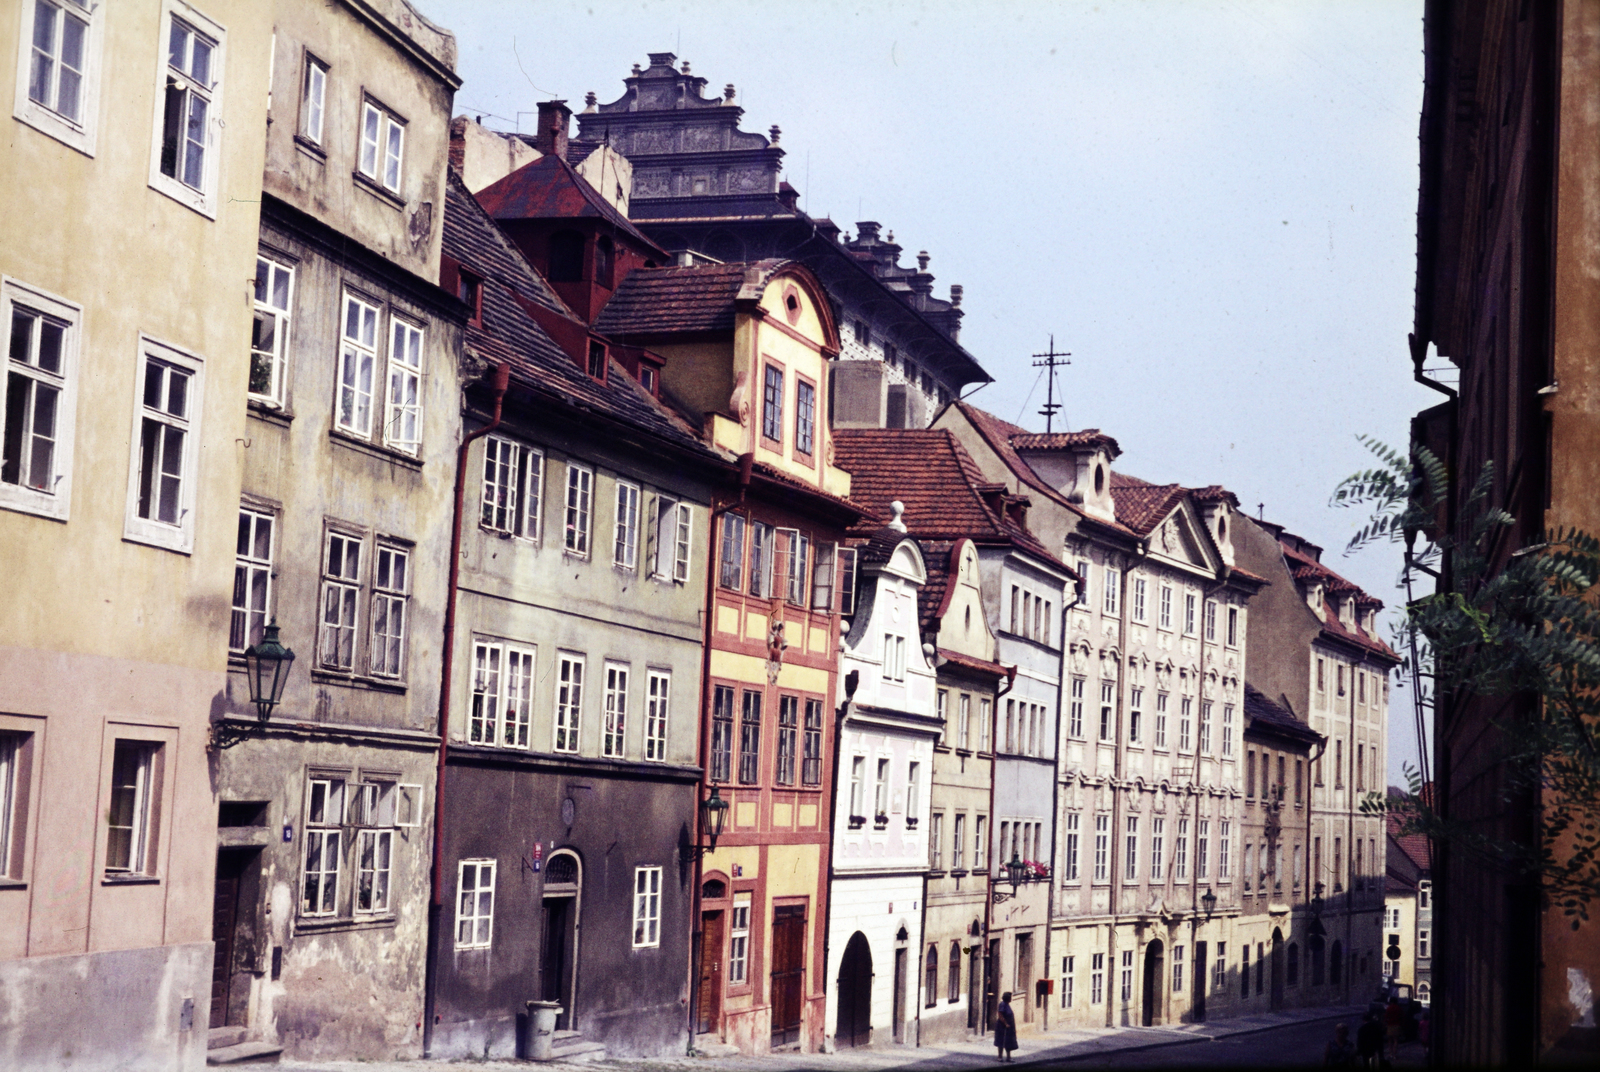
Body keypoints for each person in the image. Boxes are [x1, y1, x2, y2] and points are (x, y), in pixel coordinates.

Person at [994, 991, 1018, 1062]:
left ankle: (1008, 1057)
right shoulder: (1002, 1004)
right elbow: (1000, 1014)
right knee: (1001, 1041)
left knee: (1009, 1042)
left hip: (1009, 1027)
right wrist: (1005, 1023)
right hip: (1003, 1027)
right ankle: (1000, 1057)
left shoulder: (1007, 1004)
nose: (1011, 999)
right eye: (1010, 997)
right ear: (1007, 998)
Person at [1384, 997, 1403, 1063]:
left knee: (1390, 1040)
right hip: (1397, 1025)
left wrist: (1385, 1023)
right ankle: (1395, 1054)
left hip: (1390, 1025)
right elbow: (1401, 1016)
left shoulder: (1389, 1008)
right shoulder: (1399, 1008)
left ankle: (1390, 1054)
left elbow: (1386, 1017)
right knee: (1396, 1040)